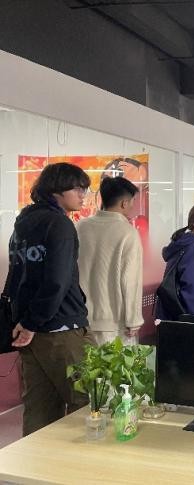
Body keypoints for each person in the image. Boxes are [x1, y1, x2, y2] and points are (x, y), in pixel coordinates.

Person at [8, 162, 96, 436]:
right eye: (77, 188)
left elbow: (17, 276)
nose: (82, 195)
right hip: (62, 327)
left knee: (39, 409)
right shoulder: (59, 224)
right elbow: (57, 280)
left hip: (31, 332)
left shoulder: (23, 224)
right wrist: (33, 322)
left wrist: (27, 323)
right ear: (56, 190)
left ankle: (35, 463)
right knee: (90, 400)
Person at [77, 177, 143, 345]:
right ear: (124, 203)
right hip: (114, 324)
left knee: (85, 362)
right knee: (115, 362)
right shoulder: (128, 233)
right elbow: (130, 281)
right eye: (133, 201)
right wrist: (133, 319)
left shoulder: (80, 227)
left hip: (80, 320)